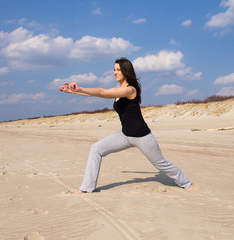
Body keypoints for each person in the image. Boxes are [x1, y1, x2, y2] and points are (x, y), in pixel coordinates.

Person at [59, 57, 193, 194]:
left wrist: (80, 88)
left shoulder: (130, 90)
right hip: (125, 135)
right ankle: (86, 188)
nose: (115, 72)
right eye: (114, 70)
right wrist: (73, 91)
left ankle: (187, 183)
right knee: (96, 149)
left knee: (161, 164)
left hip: (142, 136)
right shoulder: (119, 90)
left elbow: (102, 92)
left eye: (118, 70)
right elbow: (96, 94)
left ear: (126, 71)